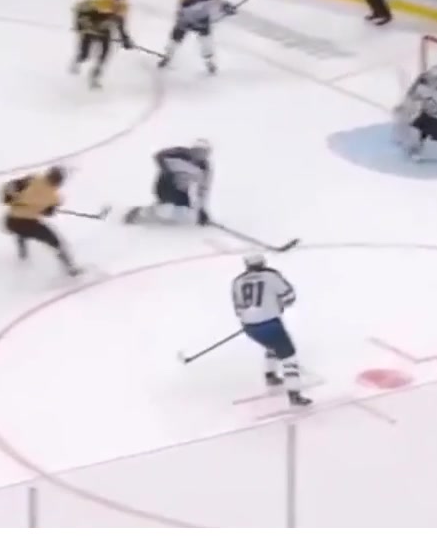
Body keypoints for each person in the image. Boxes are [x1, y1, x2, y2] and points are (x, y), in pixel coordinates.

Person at [231, 254, 311, 407]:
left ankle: (270, 375)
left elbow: (239, 309)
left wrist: (251, 320)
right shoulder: (271, 275)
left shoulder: (238, 281)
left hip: (249, 327)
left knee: (272, 345)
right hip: (270, 323)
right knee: (288, 355)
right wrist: (278, 305)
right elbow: (289, 296)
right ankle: (294, 394)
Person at [0, 165, 81, 276]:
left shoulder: (33, 180)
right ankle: (71, 269)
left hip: (11, 221)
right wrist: (49, 209)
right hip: (28, 223)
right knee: (56, 242)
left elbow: (8, 190)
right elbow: (48, 212)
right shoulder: (54, 196)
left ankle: (23, 257)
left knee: (21, 233)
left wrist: (9, 197)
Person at [124, 140, 212, 226]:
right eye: (197, 151)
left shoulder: (204, 168)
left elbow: (203, 189)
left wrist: (201, 209)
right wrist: (168, 171)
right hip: (167, 184)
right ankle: (140, 213)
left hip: (182, 190)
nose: (198, 155)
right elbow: (159, 156)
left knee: (182, 211)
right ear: (192, 150)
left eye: (203, 153)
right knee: (167, 209)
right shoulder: (179, 153)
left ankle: (159, 213)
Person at [159, 0, 236, 75]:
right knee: (176, 37)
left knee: (206, 41)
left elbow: (221, 5)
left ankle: (209, 61)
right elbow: (181, 13)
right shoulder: (186, 0)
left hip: (202, 21)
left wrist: (228, 9)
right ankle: (168, 55)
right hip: (186, 21)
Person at [71, 0, 133, 88]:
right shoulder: (101, 2)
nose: (117, 1)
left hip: (104, 32)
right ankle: (77, 61)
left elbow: (120, 24)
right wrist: (80, 25)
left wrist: (125, 39)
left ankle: (95, 76)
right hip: (90, 30)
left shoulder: (122, 8)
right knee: (85, 55)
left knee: (104, 55)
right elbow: (79, 8)